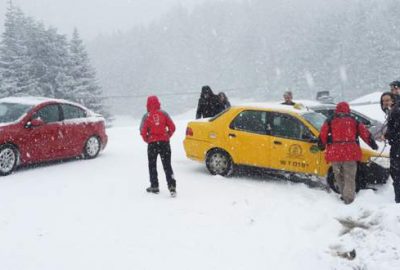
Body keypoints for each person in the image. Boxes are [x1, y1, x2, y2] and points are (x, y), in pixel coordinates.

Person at [318, 102, 378, 204]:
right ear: (348, 109)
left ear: (337, 109)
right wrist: (373, 144)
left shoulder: (330, 120)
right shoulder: (354, 120)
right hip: (350, 153)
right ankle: (349, 199)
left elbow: (323, 134)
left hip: (335, 153)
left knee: (339, 176)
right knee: (349, 177)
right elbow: (365, 134)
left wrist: (321, 145)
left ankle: (343, 194)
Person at [140, 96, 177, 197]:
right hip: (165, 143)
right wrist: (167, 135)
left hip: (152, 144)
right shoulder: (164, 113)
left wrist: (148, 139)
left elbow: (142, 131)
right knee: (167, 165)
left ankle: (154, 186)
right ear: (158, 103)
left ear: (147, 104)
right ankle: (172, 186)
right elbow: (172, 127)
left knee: (152, 165)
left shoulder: (146, 116)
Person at [384, 95, 400, 203]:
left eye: (387, 100)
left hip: (397, 147)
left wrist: (388, 136)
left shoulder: (395, 111)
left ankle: (398, 199)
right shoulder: (393, 111)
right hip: (396, 146)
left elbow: (395, 130)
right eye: (383, 101)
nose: (385, 103)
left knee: (396, 173)